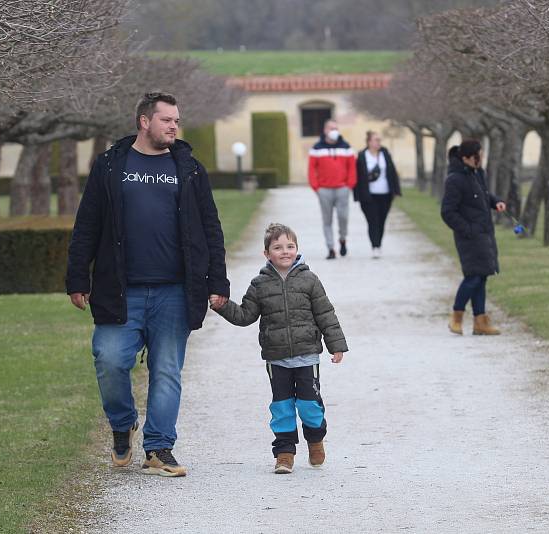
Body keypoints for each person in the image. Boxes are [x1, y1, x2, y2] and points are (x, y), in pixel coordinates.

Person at [65, 92, 230, 477]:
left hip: (174, 290)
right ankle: (122, 426)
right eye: (166, 120)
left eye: (177, 120)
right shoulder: (110, 166)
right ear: (144, 121)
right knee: (109, 361)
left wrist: (217, 279)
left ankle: (158, 447)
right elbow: (87, 224)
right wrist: (77, 276)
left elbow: (211, 228)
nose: (174, 126)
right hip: (120, 289)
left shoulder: (189, 169)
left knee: (168, 370)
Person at [209, 223, 348, 474]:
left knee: (309, 405)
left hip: (307, 356)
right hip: (277, 358)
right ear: (267, 254)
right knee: (282, 407)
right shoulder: (260, 284)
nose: (285, 251)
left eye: (290, 246)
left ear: (297, 249)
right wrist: (222, 305)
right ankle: (284, 453)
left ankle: (315, 440)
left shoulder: (309, 280)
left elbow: (326, 314)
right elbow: (245, 315)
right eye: (278, 247)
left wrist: (335, 345)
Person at [441, 139, 505, 336]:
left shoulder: (478, 173)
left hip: (484, 233)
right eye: (478, 155)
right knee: (473, 277)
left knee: (482, 275)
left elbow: (484, 195)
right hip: (469, 237)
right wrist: (467, 229)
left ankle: (480, 322)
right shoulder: (455, 179)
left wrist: (496, 202)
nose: (481, 158)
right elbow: (447, 212)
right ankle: (456, 317)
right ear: (467, 158)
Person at [308, 119, 357, 259]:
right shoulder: (317, 148)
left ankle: (342, 239)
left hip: (342, 188)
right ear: (325, 130)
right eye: (331, 128)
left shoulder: (346, 147)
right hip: (324, 190)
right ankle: (330, 248)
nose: (333, 131)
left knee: (343, 217)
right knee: (327, 220)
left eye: (336, 128)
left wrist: (350, 185)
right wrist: (316, 187)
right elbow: (311, 169)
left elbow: (352, 167)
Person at [353, 130, 402, 258]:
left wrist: (396, 190)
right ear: (369, 142)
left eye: (379, 140)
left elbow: (392, 171)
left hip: (385, 193)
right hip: (369, 195)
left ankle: (378, 244)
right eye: (375, 140)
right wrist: (357, 194)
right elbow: (357, 176)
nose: (378, 142)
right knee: (372, 220)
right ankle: (375, 246)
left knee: (381, 220)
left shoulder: (385, 153)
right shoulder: (362, 156)